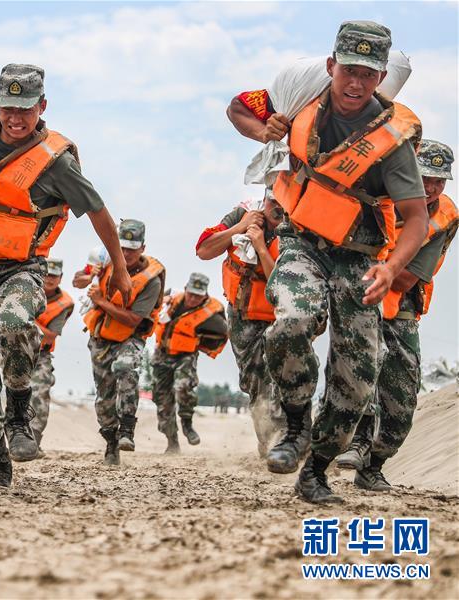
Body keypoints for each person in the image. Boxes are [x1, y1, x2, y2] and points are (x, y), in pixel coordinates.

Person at [227, 21, 428, 504]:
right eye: (349, 71)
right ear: (331, 67)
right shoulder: (299, 101)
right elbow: (238, 108)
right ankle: (295, 425)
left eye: (368, 74)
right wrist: (264, 130)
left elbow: (417, 219)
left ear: (380, 78)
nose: (356, 84)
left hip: (360, 259)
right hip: (301, 241)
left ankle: (315, 470)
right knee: (293, 319)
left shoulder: (392, 140)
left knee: (357, 380)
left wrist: (389, 266)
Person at [0, 64, 133, 487]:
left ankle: (19, 413)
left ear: (42, 106)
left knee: (15, 322)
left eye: (24, 109)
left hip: (20, 267)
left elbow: (98, 213)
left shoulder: (56, 163)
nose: (15, 119)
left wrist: (121, 267)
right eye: (7, 108)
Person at [335, 140, 457, 491]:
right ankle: (353, 442)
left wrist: (382, 263)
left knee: (403, 399)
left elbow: (406, 277)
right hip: (357, 298)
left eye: (440, 181)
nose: (431, 189)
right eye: (425, 178)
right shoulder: (374, 193)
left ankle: (372, 465)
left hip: (400, 305)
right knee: (362, 369)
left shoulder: (442, 218)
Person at [195, 189, 311, 461]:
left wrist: (260, 246)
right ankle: (267, 441)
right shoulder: (243, 213)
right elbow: (204, 249)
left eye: (285, 202)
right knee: (254, 380)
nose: (278, 208)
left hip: (280, 315)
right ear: (265, 199)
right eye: (274, 201)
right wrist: (240, 227)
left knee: (285, 375)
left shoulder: (296, 227)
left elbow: (283, 285)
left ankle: (287, 439)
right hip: (243, 315)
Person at [75, 219, 165, 465]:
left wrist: (102, 302)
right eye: (121, 247)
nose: (125, 253)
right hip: (101, 337)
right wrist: (86, 277)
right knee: (104, 397)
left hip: (129, 337)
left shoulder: (151, 281)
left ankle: (127, 427)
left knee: (125, 367)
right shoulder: (104, 260)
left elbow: (134, 320)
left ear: (142, 248)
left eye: (131, 249)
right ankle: (111, 442)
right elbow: (77, 280)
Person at [152, 274, 228, 453]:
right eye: (191, 294)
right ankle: (172, 442)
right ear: (186, 289)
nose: (193, 299)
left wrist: (200, 340)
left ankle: (187, 424)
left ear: (205, 295)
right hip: (162, 353)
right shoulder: (173, 297)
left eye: (198, 296)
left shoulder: (212, 314)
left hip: (186, 355)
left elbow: (223, 332)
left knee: (183, 386)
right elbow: (154, 302)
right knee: (162, 399)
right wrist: (162, 300)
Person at [29, 258, 74, 456]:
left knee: (40, 392)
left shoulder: (64, 304)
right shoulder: (27, 290)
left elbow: (50, 335)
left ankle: (34, 440)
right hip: (14, 349)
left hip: (41, 354)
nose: (49, 279)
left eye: (54, 276)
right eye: (47, 274)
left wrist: (26, 319)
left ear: (60, 278)